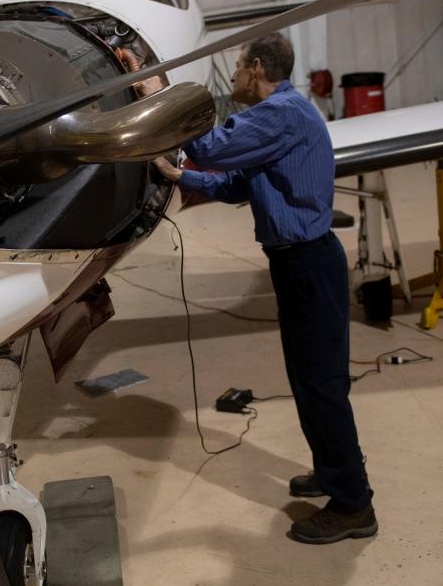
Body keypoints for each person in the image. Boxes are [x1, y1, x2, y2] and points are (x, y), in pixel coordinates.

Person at [153, 33, 376, 544]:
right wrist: (180, 174)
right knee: (308, 379)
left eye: (235, 67)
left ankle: (354, 505)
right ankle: (332, 471)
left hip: (308, 264)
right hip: (297, 264)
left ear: (256, 68)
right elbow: (235, 184)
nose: (231, 77)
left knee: (321, 385)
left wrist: (162, 99)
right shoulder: (278, 120)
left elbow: (212, 147)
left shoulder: (278, 114)